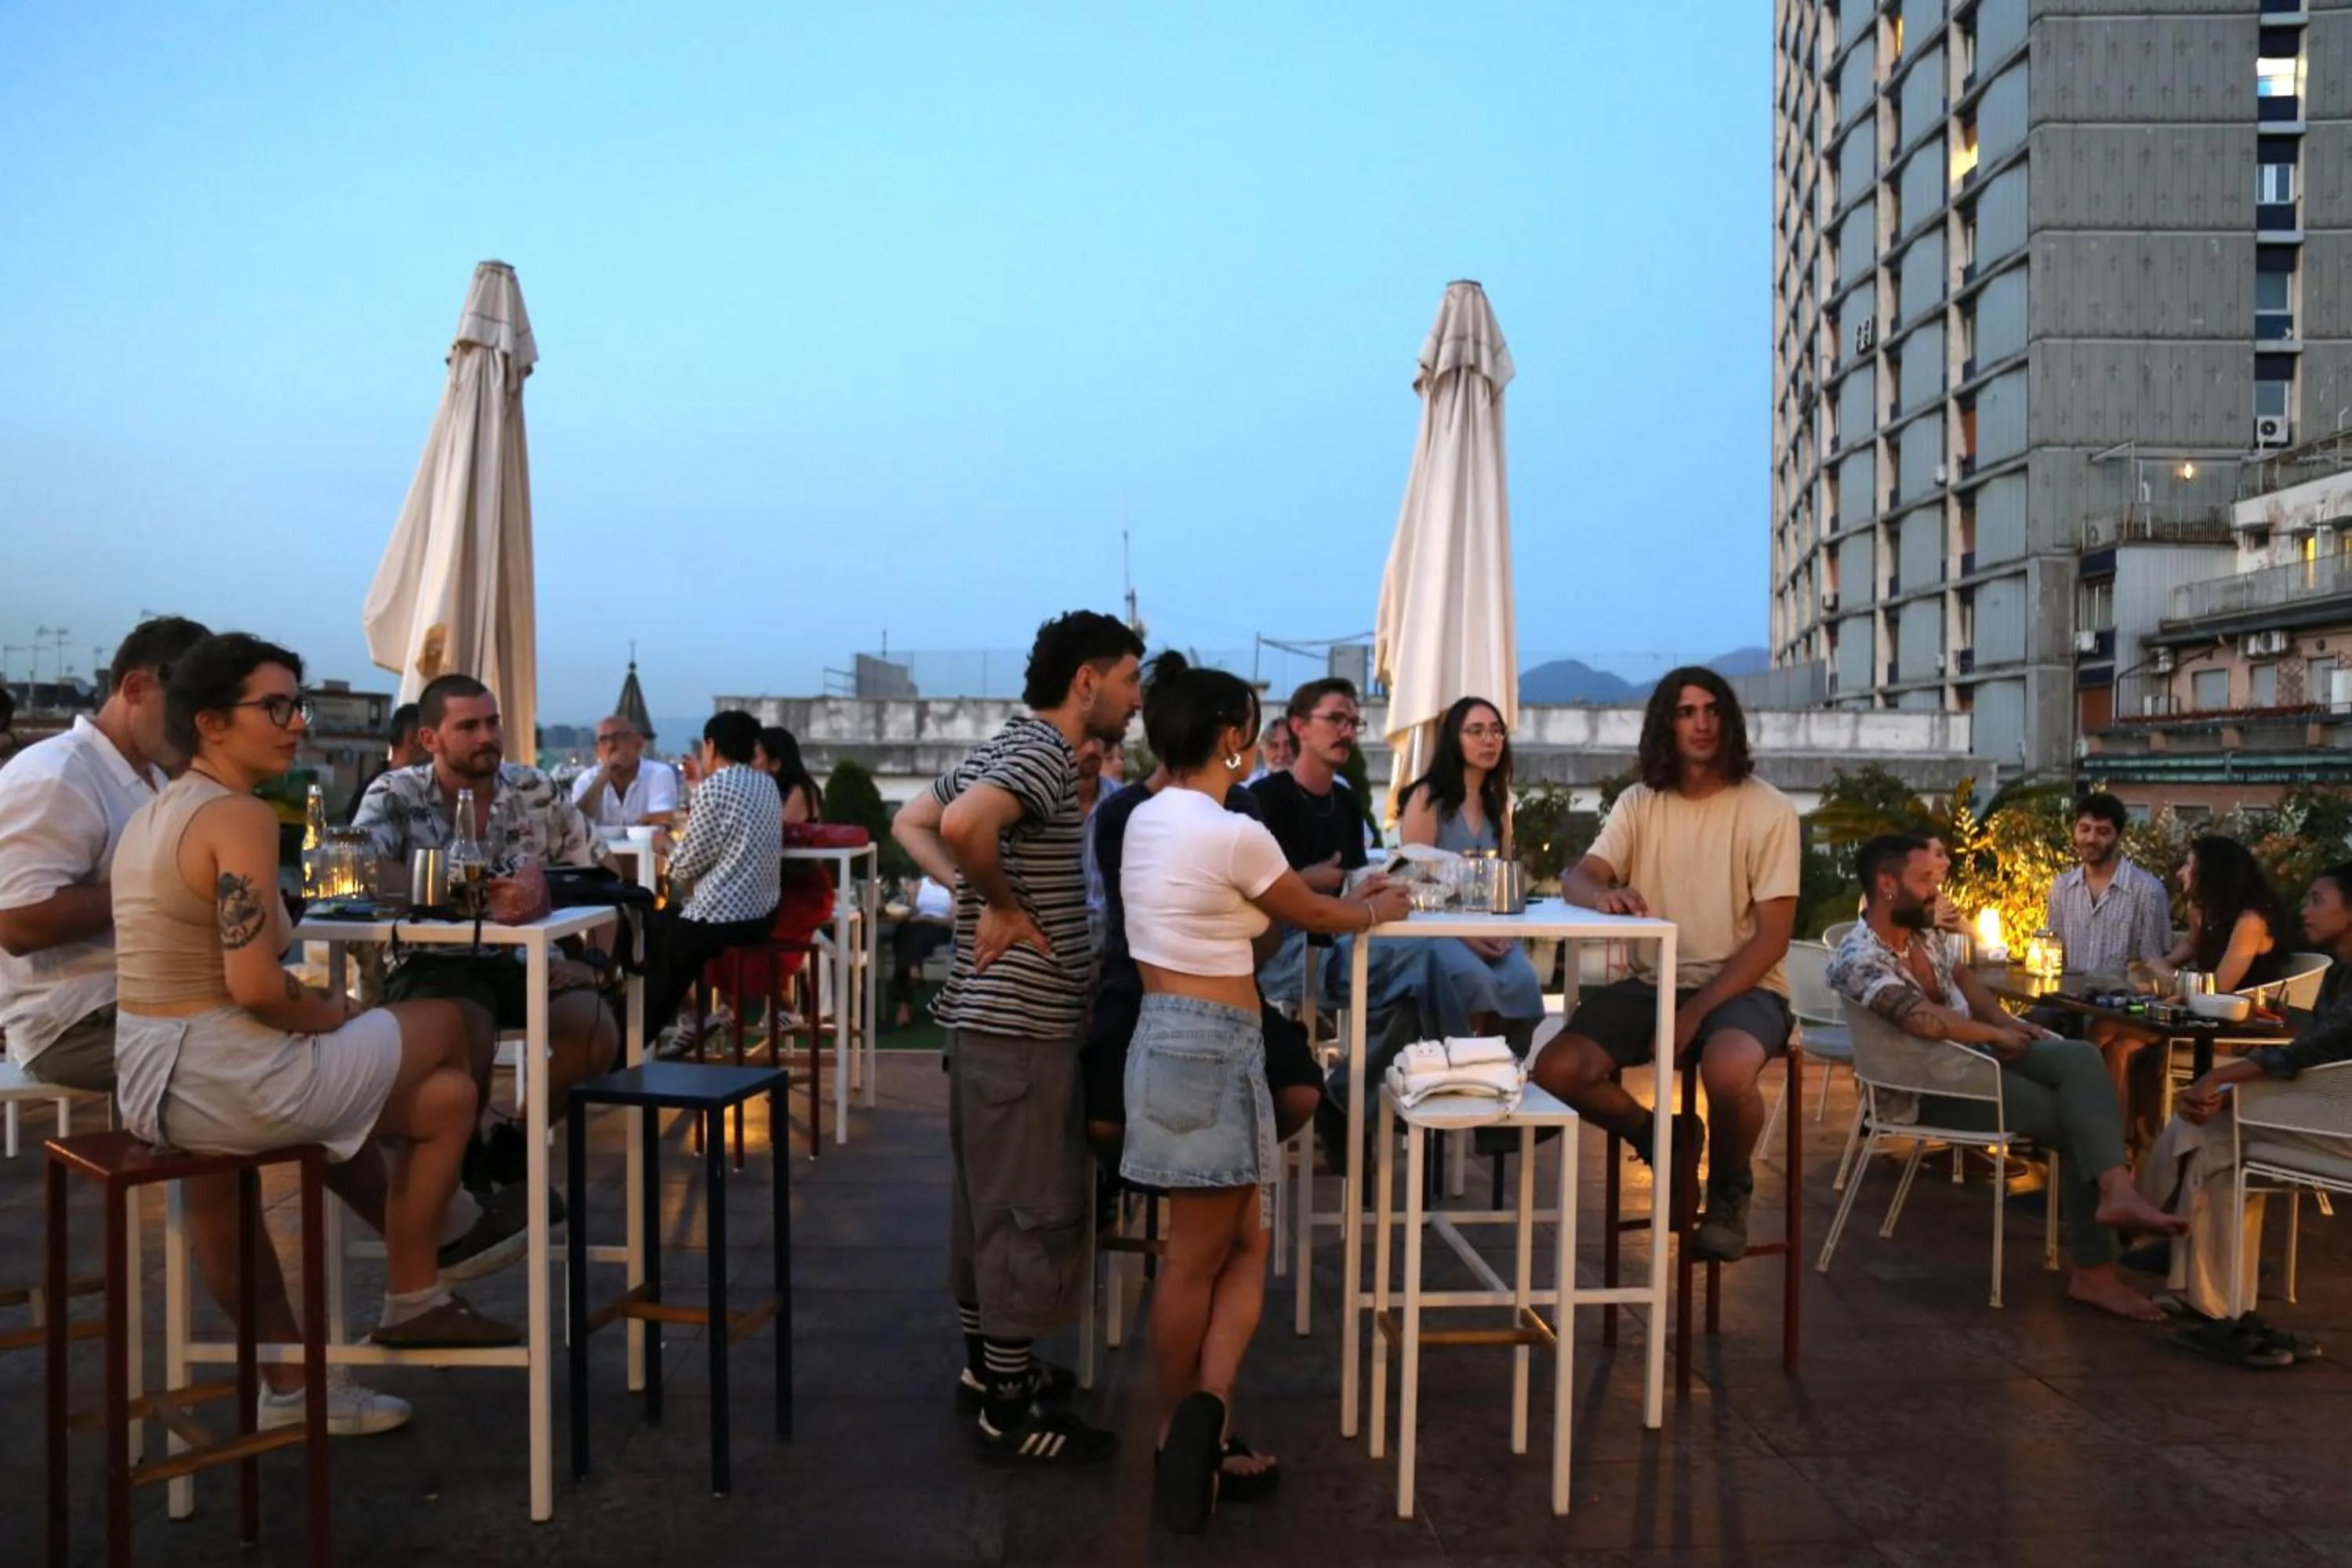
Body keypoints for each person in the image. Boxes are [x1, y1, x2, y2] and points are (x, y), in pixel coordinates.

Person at [112, 633, 524, 1361]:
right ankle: (455, 1222)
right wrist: (335, 1013)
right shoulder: (240, 817)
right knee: (445, 1017)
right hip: (228, 1080)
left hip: (151, 1083)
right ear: (210, 722)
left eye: (295, 705)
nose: (297, 722)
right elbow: (256, 990)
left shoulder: (155, 811)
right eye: (274, 708)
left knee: (448, 1097)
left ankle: (417, 1295)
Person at [1116, 655, 1410, 1531]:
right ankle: (1180, 1432)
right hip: (1217, 1046)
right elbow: (1314, 913)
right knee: (1203, 1252)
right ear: (1235, 738)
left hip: (1165, 1037)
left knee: (1241, 1237)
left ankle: (1205, 1409)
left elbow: (1239, 917)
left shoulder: (1144, 820)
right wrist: (1376, 909)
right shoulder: (1235, 829)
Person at [890, 609, 1143, 1466]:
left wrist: (974, 887)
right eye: (1129, 679)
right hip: (1019, 1025)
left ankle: (990, 1370)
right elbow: (960, 828)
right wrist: (994, 899)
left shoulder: (1007, 743)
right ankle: (1009, 1404)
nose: (1135, 700)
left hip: (986, 1022)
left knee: (985, 1204)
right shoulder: (1039, 753)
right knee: (1028, 1207)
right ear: (1087, 682)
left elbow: (913, 822)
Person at [1828, 834, 2186, 1319]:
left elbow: (1962, 979)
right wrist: (1994, 1039)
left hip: (1973, 1059)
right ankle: (2097, 1270)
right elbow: (1922, 1021)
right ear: (1888, 886)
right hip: (1927, 1088)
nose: (1938, 891)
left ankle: (2117, 1192)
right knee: (2076, 1120)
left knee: (2080, 1057)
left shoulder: (1921, 933)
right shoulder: (1857, 957)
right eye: (1926, 880)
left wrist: (2007, 1024)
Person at [1528, 667, 1799, 1262]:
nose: (1700, 723)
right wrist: (1600, 895)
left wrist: (1696, 1012)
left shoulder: (1769, 810)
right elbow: (1581, 875)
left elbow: (1772, 939)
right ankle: (1660, 1136)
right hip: (1656, 981)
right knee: (1555, 1068)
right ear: (1665, 726)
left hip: (1746, 986)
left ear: (1727, 720)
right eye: (1685, 712)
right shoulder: (1640, 803)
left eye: (1711, 710)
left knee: (1728, 1073)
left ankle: (1730, 1190)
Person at [352, 674, 619, 1192]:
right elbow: (356, 871)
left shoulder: (533, 788)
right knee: (468, 1033)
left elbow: (604, 872)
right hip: (427, 962)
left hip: (519, 962)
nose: (486, 737)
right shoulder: (396, 793)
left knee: (595, 1032)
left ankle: (514, 1140)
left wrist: (592, 962)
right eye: (468, 726)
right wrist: (459, 888)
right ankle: (463, 1169)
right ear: (430, 739)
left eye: (492, 722)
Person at [2138, 859, 2352, 1363]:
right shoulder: (2340, 974)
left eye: (2317, 900)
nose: (2305, 907)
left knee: (2210, 1130)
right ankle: (2214, 1303)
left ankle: (2156, 1236)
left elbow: (2306, 1053)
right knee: (2215, 1130)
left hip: (2340, 1126)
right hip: (2329, 1109)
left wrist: (2220, 1078)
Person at [2094, 835, 2288, 1131]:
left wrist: (2169, 980)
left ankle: (2082, 1120)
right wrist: (2149, 968)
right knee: (2114, 1044)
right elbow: (2180, 955)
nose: (2180, 873)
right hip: (2195, 1016)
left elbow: (2220, 987)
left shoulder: (2251, 921)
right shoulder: (2206, 911)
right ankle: (2119, 1147)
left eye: (2188, 865)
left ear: (2212, 873)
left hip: (2235, 1028)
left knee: (2104, 1027)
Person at [1395, 695, 1546, 1046]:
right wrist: (1466, 934)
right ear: (1454, 739)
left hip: (1488, 925)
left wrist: (1498, 930)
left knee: (1524, 982)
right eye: (1476, 731)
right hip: (1436, 928)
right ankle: (1460, 1068)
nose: (1489, 740)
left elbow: (1501, 880)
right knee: (1474, 979)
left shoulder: (1499, 802)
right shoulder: (1426, 799)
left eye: (1496, 731)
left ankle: (1499, 1071)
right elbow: (1415, 882)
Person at [644, 711, 782, 1036]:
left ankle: (637, 1037)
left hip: (721, 919)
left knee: (653, 934)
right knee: (664, 929)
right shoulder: (767, 785)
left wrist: (664, 845)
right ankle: (686, 1020)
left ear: (711, 744)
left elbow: (685, 866)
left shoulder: (716, 787)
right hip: (762, 917)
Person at [2045, 792, 2172, 979]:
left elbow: (2154, 964)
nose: (2091, 839)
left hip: (2121, 1005)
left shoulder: (2148, 891)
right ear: (2074, 830)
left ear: (2118, 836)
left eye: (2102, 832)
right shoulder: (2062, 888)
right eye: (2085, 829)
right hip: (2067, 1001)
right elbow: (2055, 955)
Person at [572, 714, 680, 830]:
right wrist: (602, 779)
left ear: (638, 744)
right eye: (604, 740)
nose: (611, 746)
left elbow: (662, 821)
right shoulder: (586, 779)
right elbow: (575, 824)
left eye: (618, 738)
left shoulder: (658, 774)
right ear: (597, 751)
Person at [887, 874, 955, 1031]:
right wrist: (910, 895)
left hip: (939, 928)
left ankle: (904, 1005)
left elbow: (953, 921)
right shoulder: (919, 884)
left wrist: (929, 917)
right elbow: (911, 913)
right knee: (904, 931)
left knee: (909, 939)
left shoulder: (952, 886)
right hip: (915, 927)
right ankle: (914, 969)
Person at [1243, 716, 1294, 786]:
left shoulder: (1312, 786)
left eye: (1288, 744)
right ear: (1262, 749)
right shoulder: (1248, 788)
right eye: (1274, 746)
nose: (1282, 754)